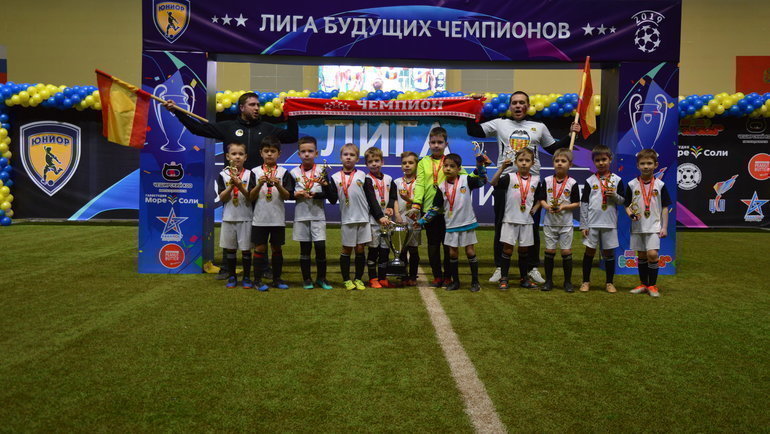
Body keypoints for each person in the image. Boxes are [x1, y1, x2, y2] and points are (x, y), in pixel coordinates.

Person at [163, 92, 297, 279]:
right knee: (232, 225)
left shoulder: (267, 128)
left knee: (259, 227)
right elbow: (197, 129)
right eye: (252, 105)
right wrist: (178, 112)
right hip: (234, 183)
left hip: (258, 185)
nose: (257, 108)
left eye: (258, 105)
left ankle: (263, 267)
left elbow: (292, 136)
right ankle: (227, 267)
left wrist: (292, 113)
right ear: (242, 107)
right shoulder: (227, 127)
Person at [466, 91, 580, 284]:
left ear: (528, 106)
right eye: (514, 103)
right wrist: (471, 106)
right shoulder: (500, 123)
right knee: (501, 224)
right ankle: (500, 267)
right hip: (505, 181)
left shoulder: (539, 126)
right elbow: (474, 131)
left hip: (532, 183)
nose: (518, 106)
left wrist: (570, 134)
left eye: (522, 103)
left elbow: (553, 148)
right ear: (510, 106)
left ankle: (532, 267)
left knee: (532, 226)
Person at [408, 127, 487, 288]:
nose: (436, 145)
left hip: (449, 212)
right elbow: (420, 184)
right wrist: (416, 205)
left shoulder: (451, 161)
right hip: (430, 209)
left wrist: (480, 167)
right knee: (433, 245)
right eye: (433, 142)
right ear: (429, 143)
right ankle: (437, 276)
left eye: (440, 142)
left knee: (448, 246)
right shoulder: (423, 162)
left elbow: (466, 178)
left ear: (446, 143)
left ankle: (448, 277)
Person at [330, 144, 390, 291]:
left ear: (357, 159)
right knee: (346, 249)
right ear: (341, 157)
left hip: (363, 219)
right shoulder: (335, 177)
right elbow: (332, 199)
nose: (348, 157)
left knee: (360, 249)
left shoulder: (363, 176)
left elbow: (371, 199)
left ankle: (358, 278)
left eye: (352, 155)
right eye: (345, 154)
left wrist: (379, 216)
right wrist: (325, 185)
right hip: (347, 219)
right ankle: (346, 279)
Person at [490, 148, 543, 290]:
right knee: (507, 250)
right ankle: (504, 278)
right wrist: (502, 168)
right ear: (515, 162)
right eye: (521, 160)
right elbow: (493, 183)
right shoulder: (510, 177)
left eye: (527, 160)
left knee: (524, 251)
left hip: (526, 221)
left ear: (533, 163)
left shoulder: (536, 180)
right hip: (510, 220)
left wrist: (536, 207)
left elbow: (540, 197)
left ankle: (524, 278)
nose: (524, 163)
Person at [290, 136, 337, 290]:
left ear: (316, 153)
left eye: (310, 151)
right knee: (305, 250)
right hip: (301, 216)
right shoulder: (293, 172)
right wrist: (296, 194)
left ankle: (321, 278)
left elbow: (332, 198)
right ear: (299, 154)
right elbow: (288, 194)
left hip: (318, 216)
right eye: (303, 151)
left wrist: (319, 192)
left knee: (320, 248)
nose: (307, 154)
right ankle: (307, 279)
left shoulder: (322, 171)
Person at [249, 136, 295, 291]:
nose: (269, 154)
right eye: (266, 151)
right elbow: (250, 196)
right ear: (261, 153)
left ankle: (277, 279)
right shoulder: (255, 172)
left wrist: (278, 185)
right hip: (260, 218)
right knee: (260, 249)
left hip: (277, 219)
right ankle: (257, 280)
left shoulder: (283, 172)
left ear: (279, 154)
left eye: (273, 151)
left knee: (277, 249)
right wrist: (259, 184)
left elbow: (288, 196)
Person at [579, 145, 626, 293]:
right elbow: (584, 203)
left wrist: (614, 196)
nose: (601, 163)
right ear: (593, 162)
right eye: (597, 160)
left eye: (604, 159)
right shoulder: (590, 180)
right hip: (592, 223)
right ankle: (585, 282)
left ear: (610, 159)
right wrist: (584, 224)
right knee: (589, 252)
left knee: (608, 253)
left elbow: (622, 201)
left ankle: (609, 283)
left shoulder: (617, 180)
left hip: (609, 223)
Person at [625, 149, 671, 297]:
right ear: (637, 165)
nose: (646, 166)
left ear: (656, 165)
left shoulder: (660, 185)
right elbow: (627, 205)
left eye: (649, 163)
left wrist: (664, 227)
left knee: (652, 254)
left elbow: (665, 207)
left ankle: (653, 285)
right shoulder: (632, 184)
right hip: (638, 226)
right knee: (642, 255)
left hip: (654, 226)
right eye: (643, 163)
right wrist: (631, 214)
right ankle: (643, 284)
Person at [537, 149, 581, 292]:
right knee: (549, 250)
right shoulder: (547, 181)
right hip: (550, 222)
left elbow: (577, 203)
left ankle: (567, 282)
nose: (560, 163)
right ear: (553, 163)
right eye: (557, 161)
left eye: (563, 161)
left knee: (566, 252)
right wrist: (546, 207)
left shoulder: (572, 183)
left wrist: (563, 207)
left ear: (570, 165)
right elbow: (542, 199)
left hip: (566, 223)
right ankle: (548, 281)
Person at [216, 142, 256, 288]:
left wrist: (240, 185)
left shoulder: (250, 174)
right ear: (227, 157)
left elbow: (251, 196)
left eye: (240, 154)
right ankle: (232, 276)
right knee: (230, 249)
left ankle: (246, 277)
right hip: (229, 217)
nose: (237, 157)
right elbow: (222, 197)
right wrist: (231, 185)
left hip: (246, 217)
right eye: (234, 154)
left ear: (245, 157)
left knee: (246, 249)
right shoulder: (223, 175)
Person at [363, 147, 397, 288]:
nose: (374, 164)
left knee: (385, 250)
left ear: (382, 162)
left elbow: (393, 196)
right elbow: (371, 201)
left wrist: (390, 207)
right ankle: (373, 278)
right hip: (373, 221)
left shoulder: (389, 179)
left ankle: (383, 277)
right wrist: (379, 216)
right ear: (366, 164)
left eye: (377, 161)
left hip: (387, 222)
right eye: (370, 162)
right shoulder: (367, 180)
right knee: (373, 250)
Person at [393, 151, 421, 286]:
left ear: (416, 165)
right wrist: (397, 215)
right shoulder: (397, 182)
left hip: (415, 221)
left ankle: (413, 276)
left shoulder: (420, 183)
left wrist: (408, 199)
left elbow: (420, 201)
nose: (407, 165)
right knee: (402, 250)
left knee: (413, 250)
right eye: (404, 163)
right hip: (401, 221)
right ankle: (403, 275)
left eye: (410, 163)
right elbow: (394, 200)